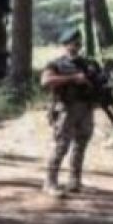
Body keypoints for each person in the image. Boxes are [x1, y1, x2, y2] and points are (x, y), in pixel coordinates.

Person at [40, 27, 97, 197]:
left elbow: (99, 82)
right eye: (73, 42)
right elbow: (45, 81)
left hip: (86, 108)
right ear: (65, 44)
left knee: (81, 144)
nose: (76, 45)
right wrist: (73, 79)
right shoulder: (56, 64)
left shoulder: (89, 64)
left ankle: (74, 181)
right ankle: (50, 182)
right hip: (65, 109)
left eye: (78, 41)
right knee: (61, 146)